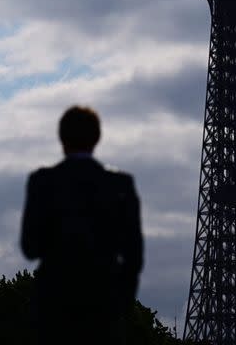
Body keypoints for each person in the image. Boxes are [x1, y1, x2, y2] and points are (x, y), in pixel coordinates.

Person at [20, 105, 143, 344]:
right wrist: (120, 303)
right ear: (97, 138)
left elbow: (30, 247)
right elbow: (134, 256)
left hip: (54, 308)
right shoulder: (120, 185)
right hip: (103, 307)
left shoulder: (43, 182)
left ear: (61, 138)